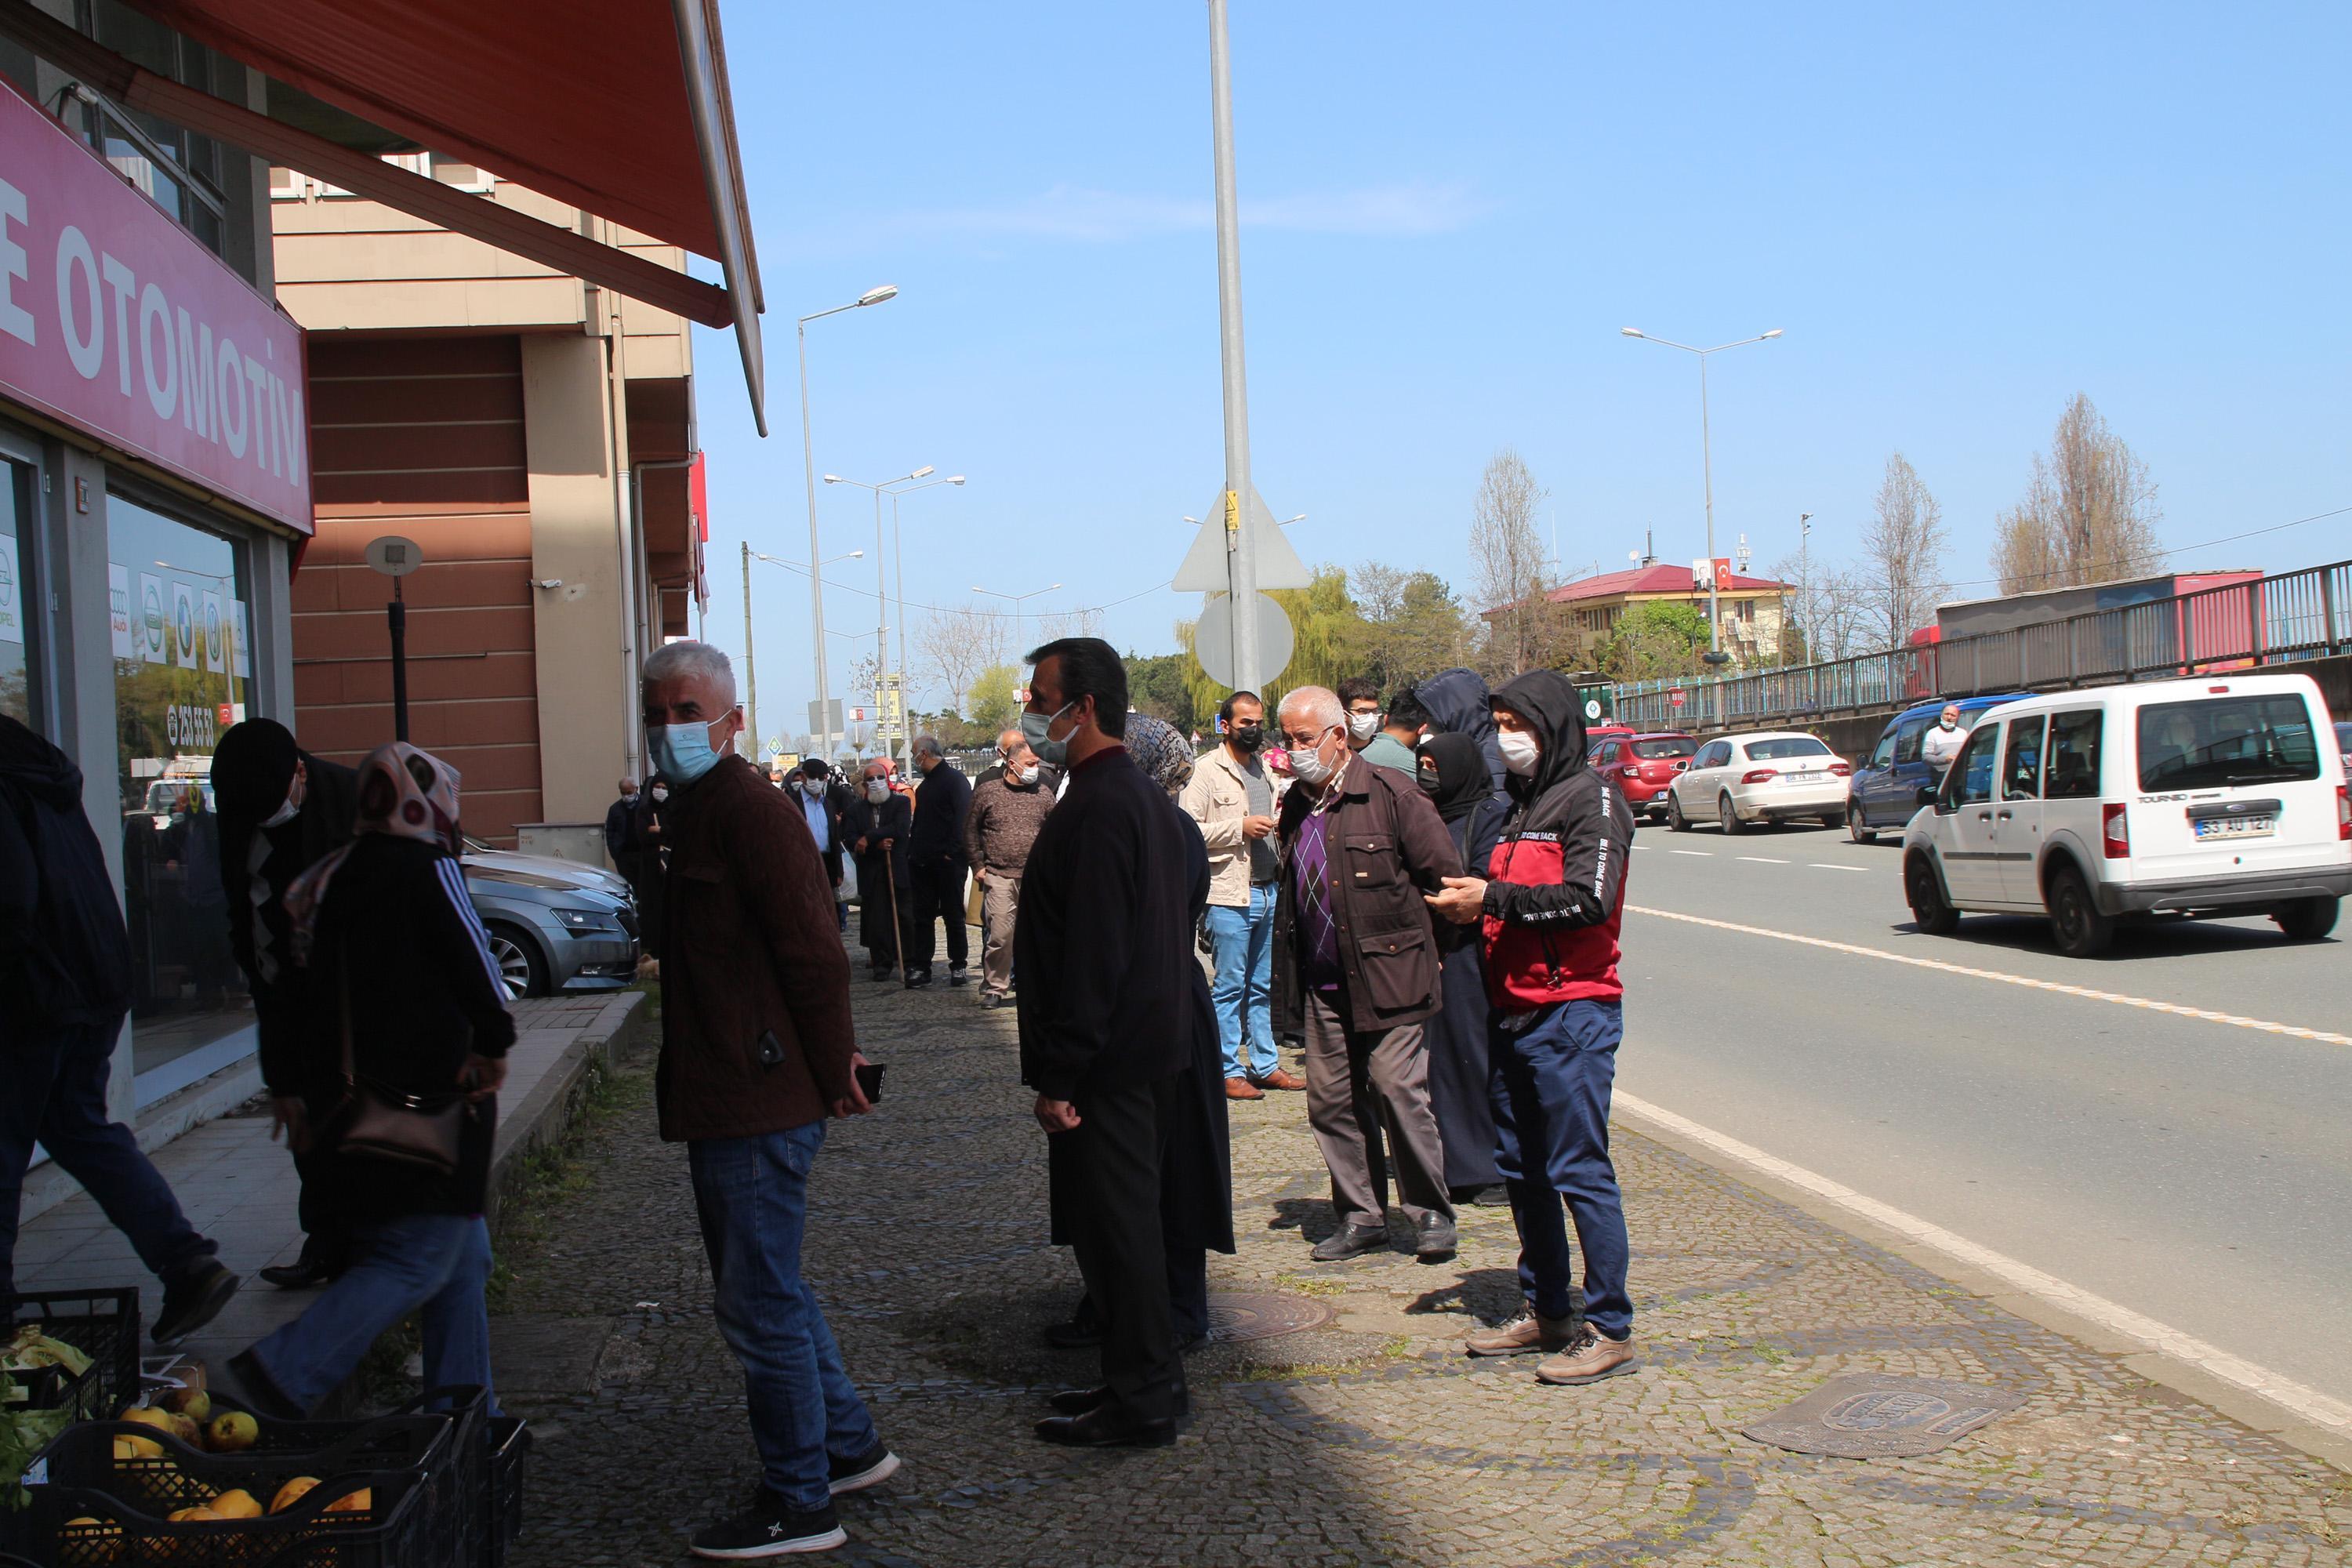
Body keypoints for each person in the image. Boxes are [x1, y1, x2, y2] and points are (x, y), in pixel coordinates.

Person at [637, 641, 894, 1558]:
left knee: (757, 1305)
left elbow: (815, 951)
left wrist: (834, 1071)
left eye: (687, 711)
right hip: (731, 1086)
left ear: (732, 720)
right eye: (657, 711)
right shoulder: (694, 810)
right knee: (772, 1289)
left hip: (759, 1092)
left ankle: (801, 1498)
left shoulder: (749, 808)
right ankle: (848, 1445)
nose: (671, 728)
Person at [227, 741, 511, 1423]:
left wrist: (288, 1082)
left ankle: (467, 1411)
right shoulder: (429, 868)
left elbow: (284, 989)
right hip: (425, 1106)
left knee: (462, 1259)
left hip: (344, 1105)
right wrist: (494, 1044)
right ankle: (278, 1375)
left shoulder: (322, 878)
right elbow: (477, 966)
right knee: (417, 1257)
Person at [1425, 669, 1639, 1388]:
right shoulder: (1519, 804)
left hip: (1572, 1012)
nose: (1508, 738)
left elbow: (1589, 900)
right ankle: (1546, 1307)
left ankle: (1608, 1324)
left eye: (1519, 724)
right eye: (1501, 724)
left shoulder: (1594, 798)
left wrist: (1495, 898)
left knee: (1579, 1169)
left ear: (1553, 726)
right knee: (1522, 1169)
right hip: (1511, 1013)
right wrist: (1474, 903)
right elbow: (1506, 897)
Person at [0, 715, 239, 1345]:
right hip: (92, 975)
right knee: (81, 1130)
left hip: (35, 995)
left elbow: (11, 899)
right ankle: (187, 1262)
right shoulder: (42, 779)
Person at [1016, 638, 1197, 1448]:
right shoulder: (1140, 800)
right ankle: (1142, 1373)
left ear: (1082, 706)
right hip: (1147, 1053)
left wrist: (1061, 1074)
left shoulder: (1099, 805)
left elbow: (1093, 955)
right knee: (1129, 1229)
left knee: (1120, 1234)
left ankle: (1145, 1398)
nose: (1031, 708)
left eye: (1041, 694)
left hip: (1110, 1064)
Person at [1041, 715, 1232, 1356]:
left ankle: (1168, 1313)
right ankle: (1119, 1303)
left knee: (1163, 1170)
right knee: (1125, 1177)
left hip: (1153, 1011)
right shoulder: (1148, 820)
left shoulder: (1158, 825)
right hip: (1154, 1008)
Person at [1268, 687, 1461, 1264]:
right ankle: (1361, 1217)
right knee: (1331, 1104)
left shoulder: (1391, 794)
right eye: (1287, 739)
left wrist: (1431, 954)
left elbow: (1446, 885)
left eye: (1304, 739)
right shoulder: (1298, 805)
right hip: (1325, 984)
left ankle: (1430, 1213)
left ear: (1339, 737)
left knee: (1399, 1092)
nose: (1292, 750)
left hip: (1392, 977)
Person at [212, 718, 361, 1291]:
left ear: (300, 772)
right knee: (302, 1114)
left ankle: (364, 1245)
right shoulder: (240, 809)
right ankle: (324, 1242)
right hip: (280, 986)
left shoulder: (348, 801)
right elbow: (236, 900)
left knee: (349, 1118)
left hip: (347, 992)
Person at [1178, 692, 1302, 1099]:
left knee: (1262, 985)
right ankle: (1227, 1068)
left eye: (1258, 721)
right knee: (1229, 986)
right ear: (1225, 725)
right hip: (1228, 894)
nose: (1254, 729)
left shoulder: (1264, 768)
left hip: (1267, 892)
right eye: (1245, 722)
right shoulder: (1206, 772)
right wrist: (1239, 827)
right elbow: (1188, 830)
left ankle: (1265, 1064)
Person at [1414, 734, 1507, 1203]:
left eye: (1436, 765)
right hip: (1434, 949)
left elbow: (1488, 877)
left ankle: (1489, 1167)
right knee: (1443, 1061)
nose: (1429, 773)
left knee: (1476, 1055)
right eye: (1423, 764)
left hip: (1473, 952)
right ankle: (1456, 1164)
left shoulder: (1489, 814)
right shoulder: (1425, 813)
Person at [963, 729, 1055, 1009]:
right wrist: (978, 865)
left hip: (1035, 878)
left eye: (1037, 764)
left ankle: (1036, 984)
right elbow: (969, 831)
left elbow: (1056, 833)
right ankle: (995, 986)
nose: (1035, 769)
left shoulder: (1044, 793)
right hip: (1000, 876)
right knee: (1000, 935)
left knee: (1037, 935)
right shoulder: (987, 792)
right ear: (1011, 764)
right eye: (1030, 764)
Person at [905, 737, 971, 989]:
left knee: (953, 915)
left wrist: (952, 852)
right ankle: (922, 966)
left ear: (924, 754)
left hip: (948, 862)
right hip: (922, 862)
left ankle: (958, 964)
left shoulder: (955, 781)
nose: (914, 759)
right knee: (923, 916)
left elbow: (963, 818)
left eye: (914, 754)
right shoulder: (925, 786)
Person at [844, 760, 916, 983]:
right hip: (871, 870)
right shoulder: (855, 809)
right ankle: (881, 963)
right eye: (871, 779)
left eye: (880, 778)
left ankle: (910, 960)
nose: (876, 783)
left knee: (905, 916)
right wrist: (873, 843)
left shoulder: (901, 803)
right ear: (864, 785)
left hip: (897, 868)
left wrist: (870, 837)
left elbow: (900, 829)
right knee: (877, 920)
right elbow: (849, 836)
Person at [1417, 667, 1508, 797]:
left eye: (1432, 716)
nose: (1429, 723)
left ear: (1453, 716)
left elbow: (1496, 808)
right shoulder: (1468, 751)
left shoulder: (1489, 755)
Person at [794, 759, 854, 934]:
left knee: (830, 910)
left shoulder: (828, 804)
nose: (817, 781)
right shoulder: (792, 802)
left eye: (822, 777)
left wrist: (839, 871)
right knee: (807, 909)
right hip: (804, 862)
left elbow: (834, 839)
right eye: (813, 777)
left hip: (827, 863)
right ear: (804, 777)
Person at [1338, 676, 1417, 774]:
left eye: (1374, 711)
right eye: (1362, 711)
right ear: (1343, 713)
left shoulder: (1388, 754)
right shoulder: (1333, 750)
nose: (1371, 717)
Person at [604, 776, 643, 884]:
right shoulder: (615, 809)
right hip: (623, 855)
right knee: (628, 883)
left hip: (642, 853)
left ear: (636, 789)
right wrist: (614, 852)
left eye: (629, 792)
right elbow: (610, 831)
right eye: (623, 793)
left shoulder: (645, 805)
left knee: (644, 884)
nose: (626, 796)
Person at [1922, 702, 1969, 774]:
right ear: (1941, 715)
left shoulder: (1963, 733)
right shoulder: (1932, 733)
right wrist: (1945, 759)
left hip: (1960, 773)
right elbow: (1926, 757)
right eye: (1946, 714)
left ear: (1957, 718)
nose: (1949, 718)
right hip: (1940, 775)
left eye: (1953, 715)